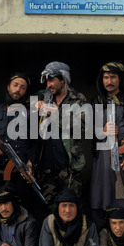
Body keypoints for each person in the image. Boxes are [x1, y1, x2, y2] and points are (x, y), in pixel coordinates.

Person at [0, 71, 39, 226]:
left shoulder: (31, 114)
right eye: (15, 85)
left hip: (20, 173)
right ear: (8, 87)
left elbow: (36, 142)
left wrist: (31, 163)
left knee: (23, 211)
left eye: (23, 87)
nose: (18, 89)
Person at [90, 61, 124, 232]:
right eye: (106, 77)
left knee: (122, 195)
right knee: (101, 195)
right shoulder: (97, 101)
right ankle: (103, 232)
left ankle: (122, 233)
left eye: (113, 77)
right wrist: (102, 130)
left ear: (120, 79)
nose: (109, 81)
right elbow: (89, 130)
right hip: (103, 157)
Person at [36, 61, 87, 205]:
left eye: (52, 80)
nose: (48, 85)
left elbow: (82, 126)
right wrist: (35, 107)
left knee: (71, 207)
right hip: (45, 166)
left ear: (63, 80)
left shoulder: (78, 99)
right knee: (47, 207)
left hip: (69, 165)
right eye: (47, 81)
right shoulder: (42, 96)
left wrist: (57, 114)